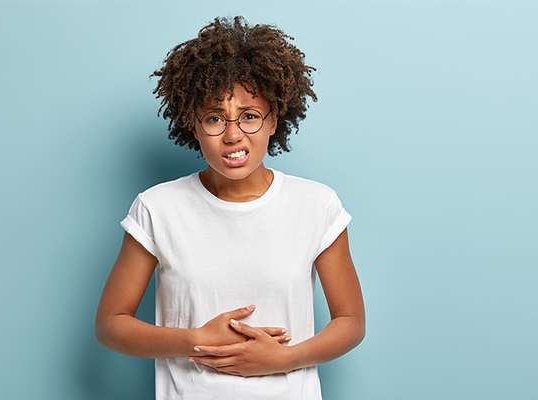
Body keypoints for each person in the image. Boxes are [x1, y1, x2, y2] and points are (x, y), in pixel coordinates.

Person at [95, 16, 365, 400]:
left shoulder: (317, 205)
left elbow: (351, 322)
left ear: (274, 120)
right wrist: (195, 340)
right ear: (193, 124)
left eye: (250, 116)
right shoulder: (157, 208)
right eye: (215, 118)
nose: (233, 134)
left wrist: (283, 360)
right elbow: (110, 324)